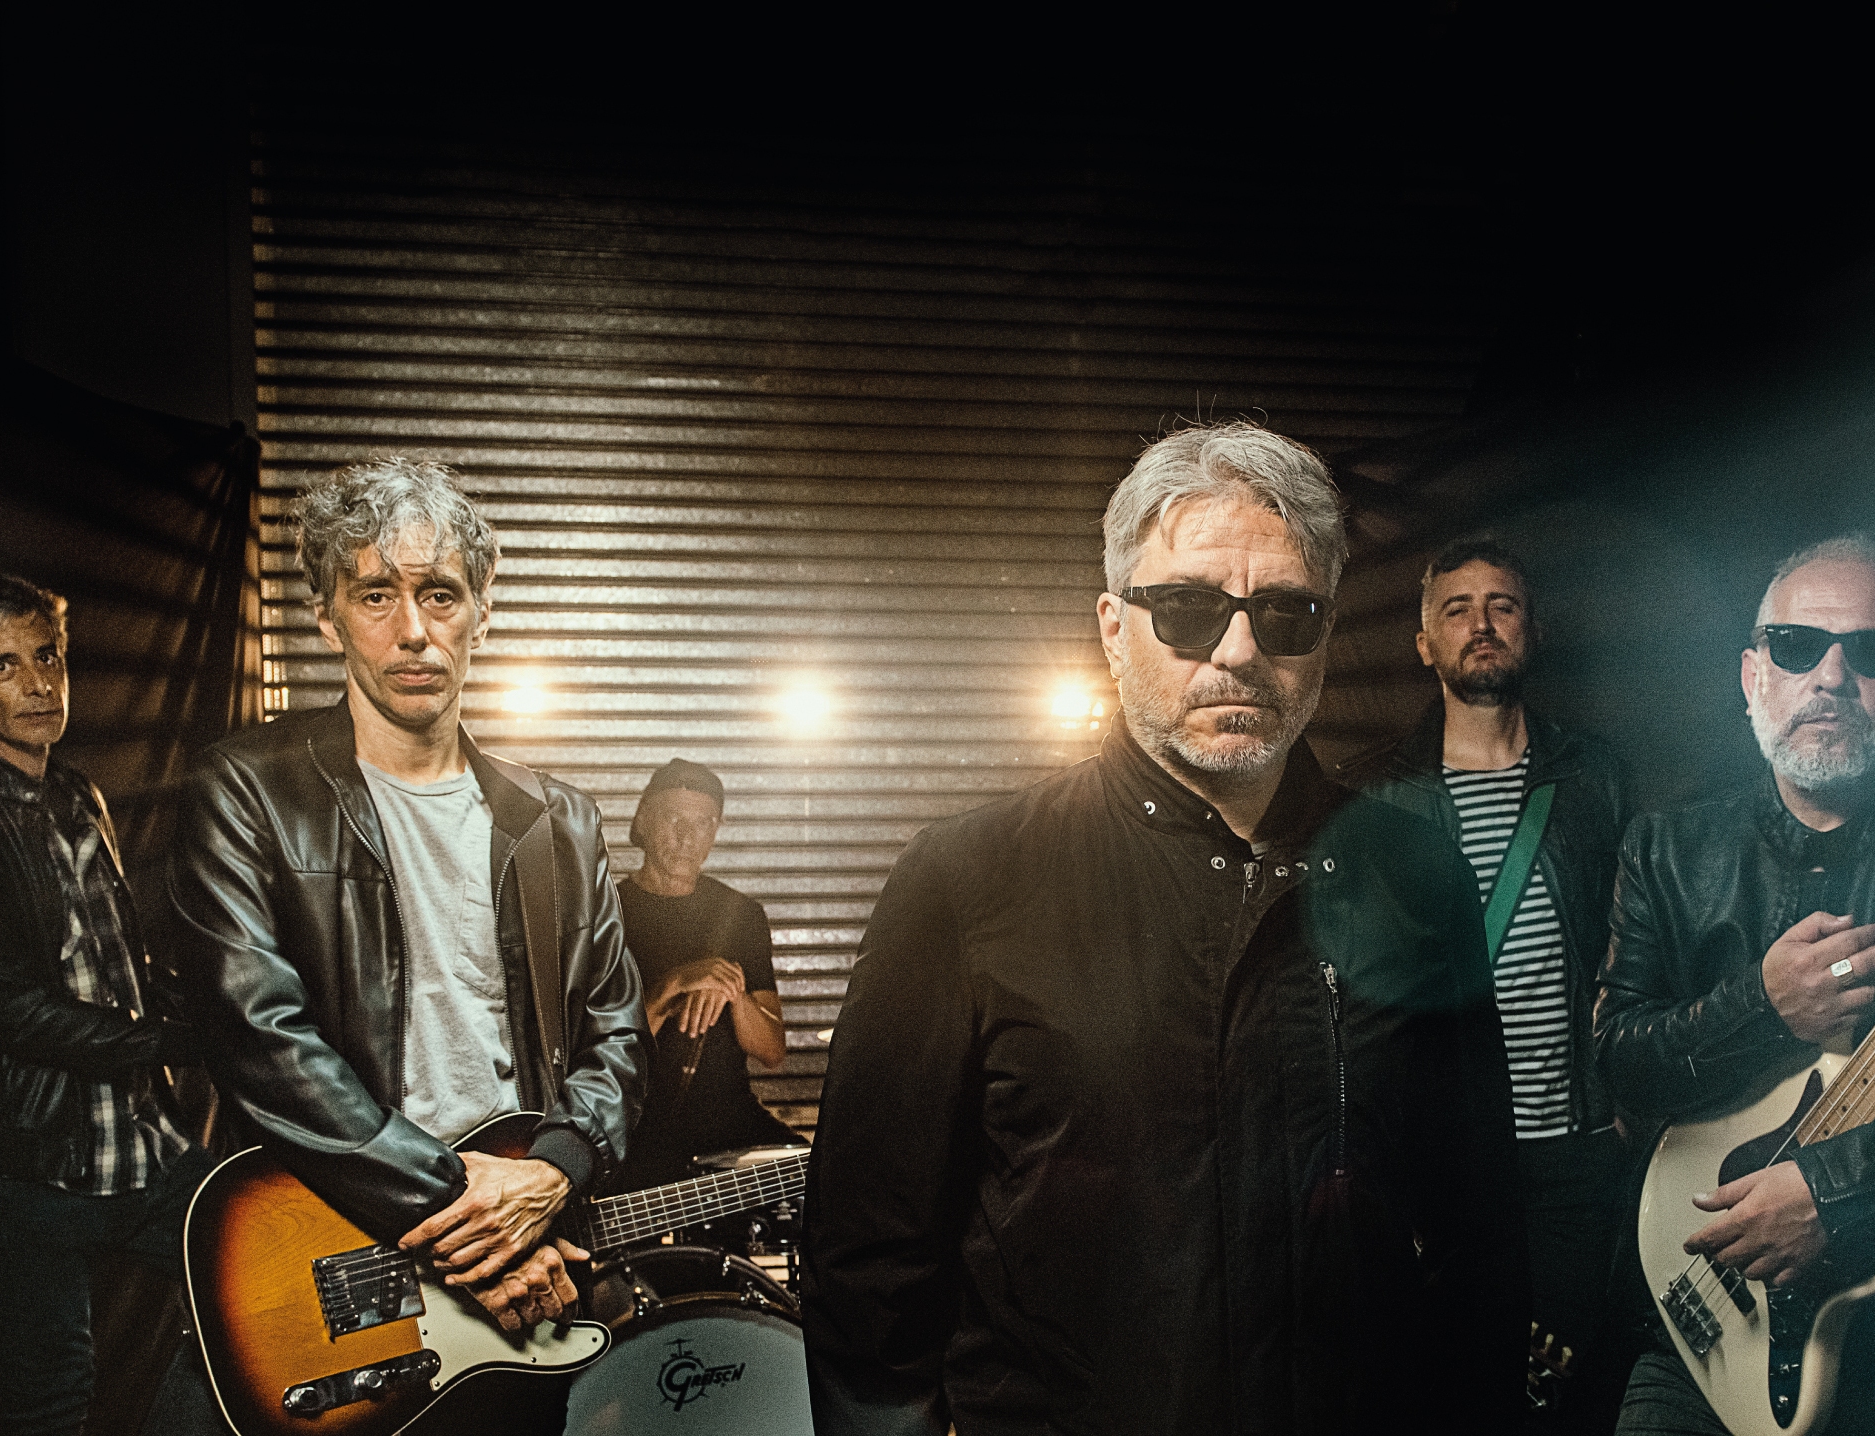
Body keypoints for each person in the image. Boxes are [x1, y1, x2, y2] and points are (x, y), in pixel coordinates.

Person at [803, 421, 1528, 1436]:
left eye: (1284, 613)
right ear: (1112, 627)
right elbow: (868, 1266)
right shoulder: (965, 883)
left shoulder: (1414, 878)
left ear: (1325, 633)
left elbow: (1477, 1229)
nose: (1238, 650)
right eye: (1187, 608)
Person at [166, 457, 647, 1429]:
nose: (414, 630)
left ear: (482, 612)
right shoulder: (244, 789)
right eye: (376, 594)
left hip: (527, 1251)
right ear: (327, 618)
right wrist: (473, 1221)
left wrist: (554, 1169)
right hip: (345, 1242)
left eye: (440, 593)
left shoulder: (560, 820)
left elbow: (616, 1031)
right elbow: (259, 1039)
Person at [1595, 535, 1875, 1435]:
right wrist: (1764, 1006)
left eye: (1872, 651)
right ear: (1752, 677)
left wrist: (1830, 1188)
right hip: (1698, 1332)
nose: (1831, 676)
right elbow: (1619, 1067)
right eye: (1795, 646)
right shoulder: (1665, 849)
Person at [1337, 537, 1633, 1432]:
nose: (1481, 624)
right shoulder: (1370, 795)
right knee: (1459, 1392)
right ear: (1424, 643)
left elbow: (1639, 949)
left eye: (1502, 605)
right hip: (1448, 1169)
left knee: (1571, 1389)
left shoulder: (1595, 777)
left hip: (1578, 1152)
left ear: (1532, 630)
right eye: (1456, 609)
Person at [0, 574, 210, 1436]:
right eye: (2, 666)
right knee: (50, 1402)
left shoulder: (77, 793)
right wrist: (186, 1040)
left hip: (139, 1141)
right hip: (27, 1165)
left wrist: (226, 1010)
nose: (39, 684)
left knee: (264, 1300)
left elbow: (119, 963)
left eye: (47, 657)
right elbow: (13, 1010)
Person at [612, 756, 799, 1191]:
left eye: (703, 823)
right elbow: (600, 1054)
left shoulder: (741, 914)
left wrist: (733, 992)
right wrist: (672, 986)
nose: (687, 837)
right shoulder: (607, 915)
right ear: (643, 820)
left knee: (824, 1181)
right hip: (637, 1131)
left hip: (730, 1125)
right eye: (673, 819)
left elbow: (773, 1050)